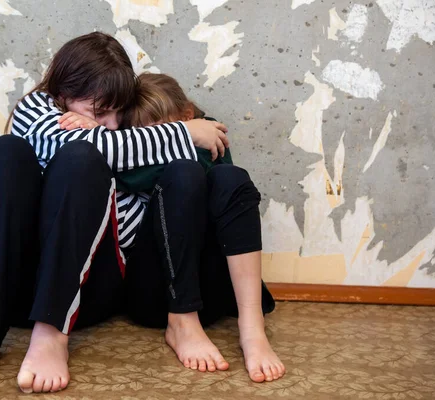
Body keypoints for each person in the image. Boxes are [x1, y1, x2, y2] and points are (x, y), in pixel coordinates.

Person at [0, 32, 229, 394]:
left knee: (84, 160)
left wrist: (126, 142)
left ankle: (51, 333)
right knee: (5, 152)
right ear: (62, 96)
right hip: (16, 292)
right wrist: (185, 132)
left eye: (116, 113)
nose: (110, 123)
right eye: (98, 112)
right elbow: (86, 144)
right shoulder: (36, 109)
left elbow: (127, 192)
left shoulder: (120, 131)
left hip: (86, 296)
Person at [60, 72, 286, 383]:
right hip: (156, 296)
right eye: (142, 140)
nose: (154, 146)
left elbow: (216, 176)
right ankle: (181, 321)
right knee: (182, 172)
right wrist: (99, 132)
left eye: (164, 135)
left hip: (213, 292)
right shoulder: (134, 153)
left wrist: (184, 142)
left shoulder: (210, 134)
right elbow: (123, 174)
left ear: (186, 118)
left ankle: (252, 327)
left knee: (231, 178)